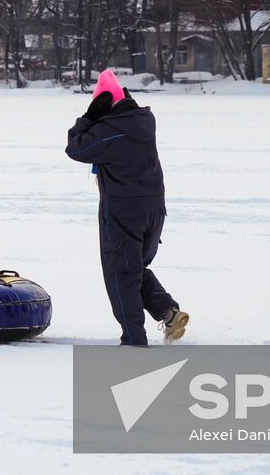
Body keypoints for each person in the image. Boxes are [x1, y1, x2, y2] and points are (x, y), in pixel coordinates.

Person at [66, 70, 187, 346]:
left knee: (121, 275)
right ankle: (168, 313)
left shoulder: (109, 131)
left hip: (123, 211)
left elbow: (75, 148)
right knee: (133, 269)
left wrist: (87, 118)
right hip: (154, 207)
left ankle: (133, 341)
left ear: (104, 104)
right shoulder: (145, 120)